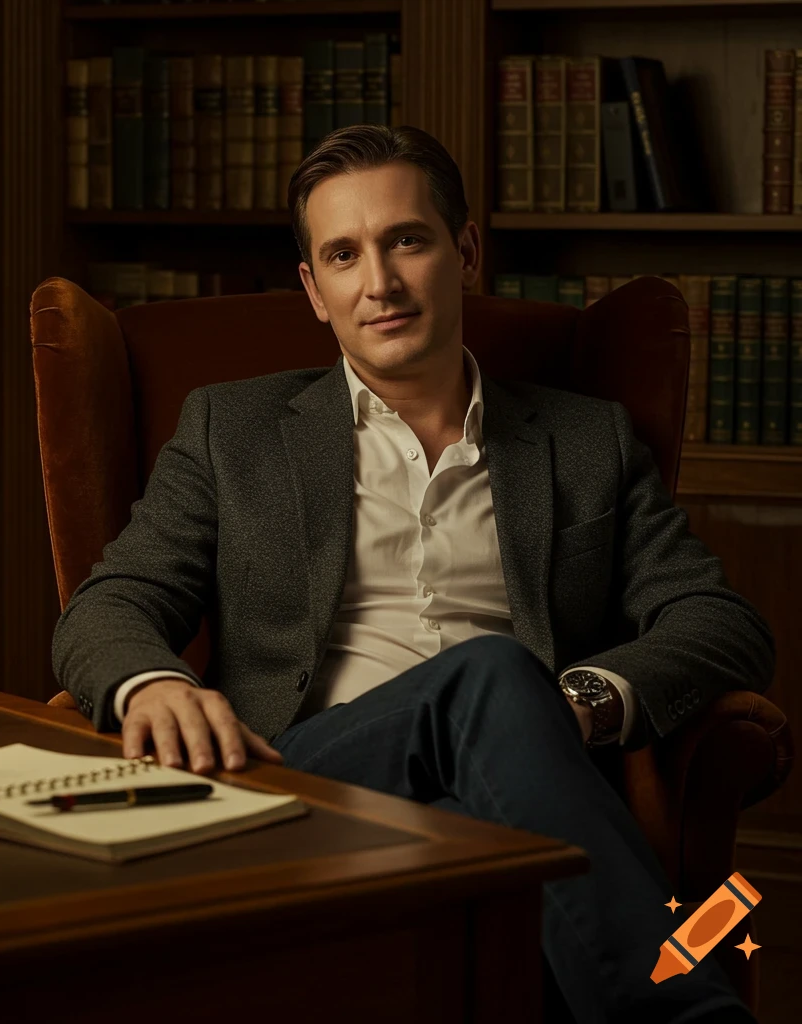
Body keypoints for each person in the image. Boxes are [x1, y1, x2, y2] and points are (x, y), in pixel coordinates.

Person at [53, 124, 774, 1024]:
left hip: (521, 793)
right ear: (315, 291)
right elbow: (112, 601)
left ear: (464, 252)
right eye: (344, 255)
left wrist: (583, 701)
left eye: (406, 240)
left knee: (502, 711)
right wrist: (152, 682)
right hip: (306, 774)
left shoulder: (586, 441)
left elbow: (721, 622)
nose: (380, 284)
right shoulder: (230, 430)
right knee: (492, 673)